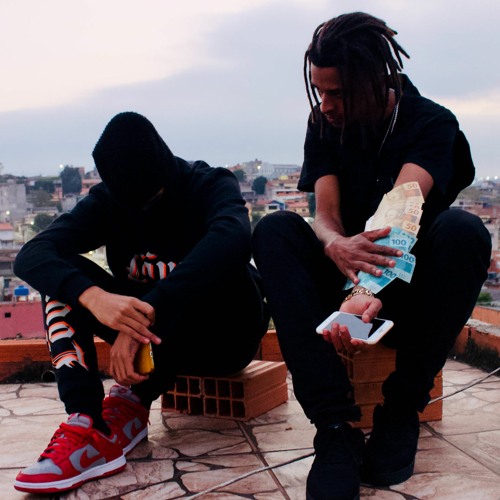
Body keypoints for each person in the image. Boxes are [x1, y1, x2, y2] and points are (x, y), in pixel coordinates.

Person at [251, 11, 491, 500]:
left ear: (375, 81)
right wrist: (334, 244)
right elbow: (325, 215)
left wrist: (363, 290)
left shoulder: (430, 122)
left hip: (405, 293)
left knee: (464, 231)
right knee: (274, 230)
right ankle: (334, 428)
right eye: (319, 92)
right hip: (341, 280)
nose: (326, 105)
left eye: (337, 93)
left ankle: (401, 409)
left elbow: (399, 214)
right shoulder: (323, 124)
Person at [13, 111, 269, 494]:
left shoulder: (208, 183)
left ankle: (132, 397)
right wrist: (96, 299)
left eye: (151, 201)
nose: (140, 212)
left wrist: (141, 321)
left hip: (223, 336)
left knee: (218, 263)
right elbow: (32, 254)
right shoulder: (107, 202)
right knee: (62, 277)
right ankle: (88, 423)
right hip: (156, 345)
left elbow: (233, 239)